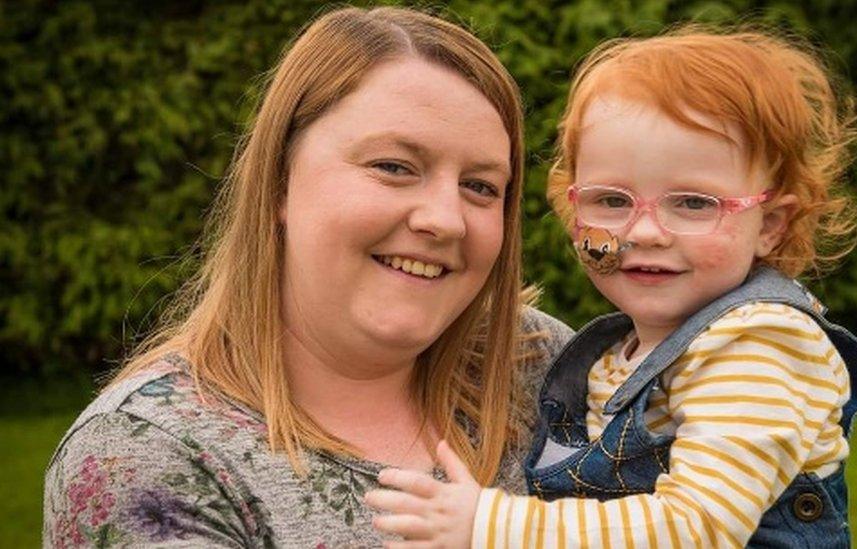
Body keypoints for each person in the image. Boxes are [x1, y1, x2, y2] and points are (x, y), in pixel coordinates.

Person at [42, 6, 574, 547]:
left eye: (481, 186)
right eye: (393, 167)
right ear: (278, 182)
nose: (444, 219)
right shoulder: (152, 455)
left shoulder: (544, 367)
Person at [366, 25, 857, 548]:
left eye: (694, 203)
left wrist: (490, 524)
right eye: (611, 201)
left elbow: (697, 527)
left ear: (770, 223)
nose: (644, 233)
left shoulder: (759, 343)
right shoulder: (627, 352)